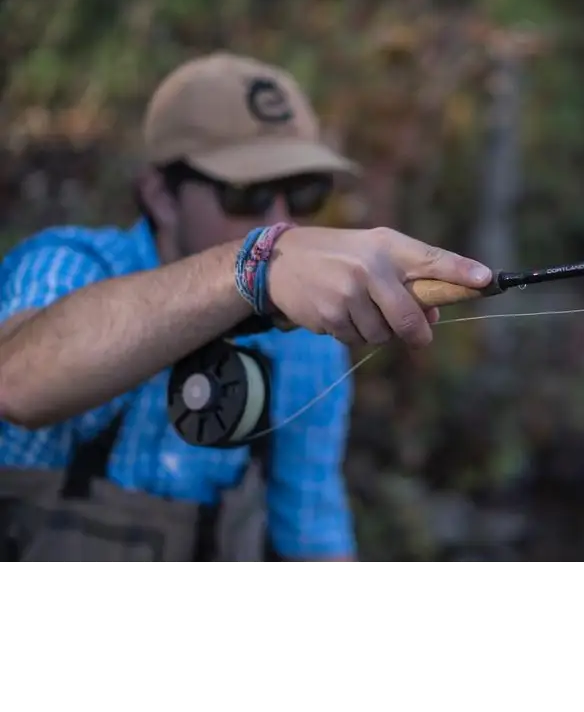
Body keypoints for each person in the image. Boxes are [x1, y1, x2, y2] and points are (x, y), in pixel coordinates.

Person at [0, 51, 493, 564]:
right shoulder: (68, 264)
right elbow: (17, 383)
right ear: (160, 195)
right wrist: (254, 265)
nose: (282, 221)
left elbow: (312, 533)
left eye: (303, 192)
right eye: (248, 194)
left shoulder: (312, 346)